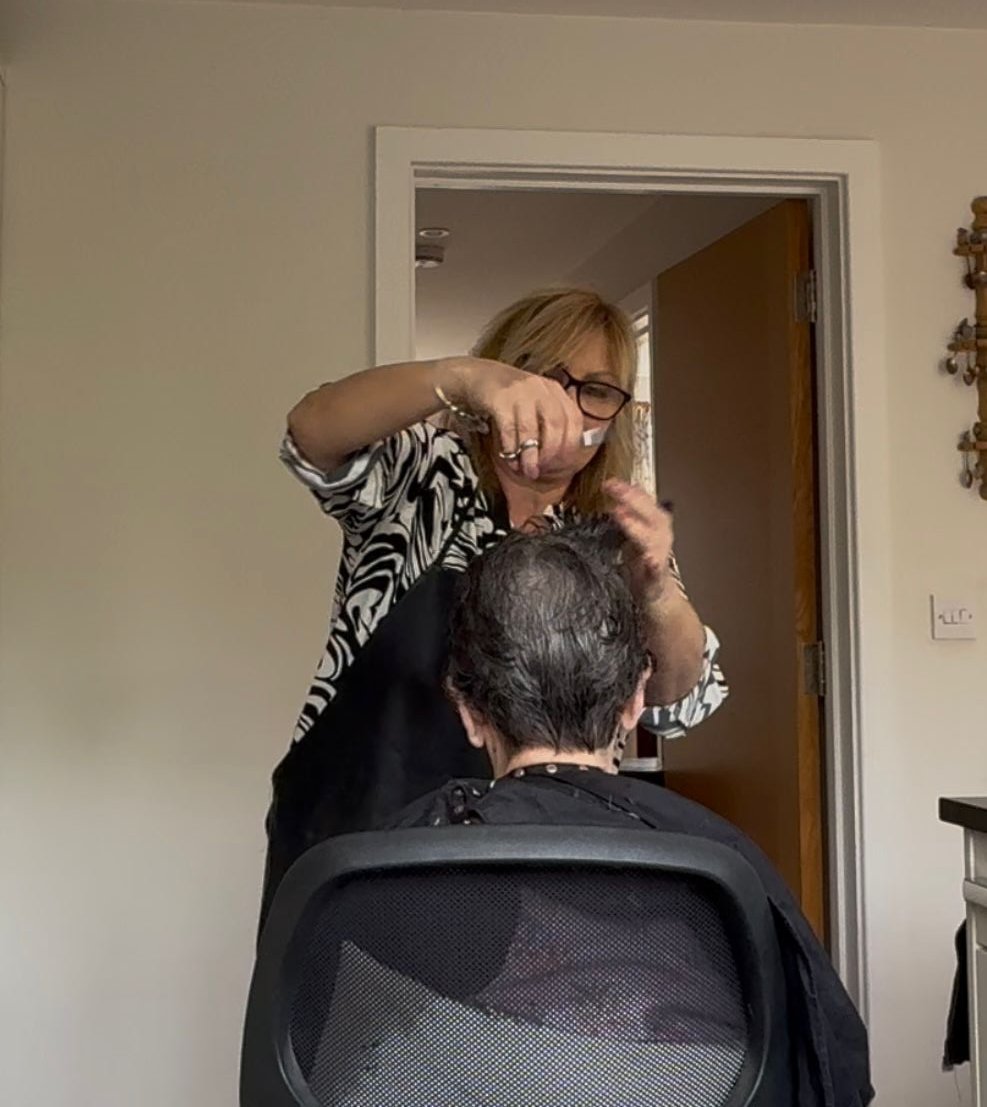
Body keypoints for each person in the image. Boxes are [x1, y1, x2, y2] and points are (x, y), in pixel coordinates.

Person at [264, 287, 728, 926]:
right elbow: (311, 432)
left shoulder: (617, 531)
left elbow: (681, 698)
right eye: (544, 377)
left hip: (552, 870)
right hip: (357, 847)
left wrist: (656, 591)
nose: (563, 407)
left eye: (595, 389)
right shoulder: (423, 480)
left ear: (616, 411)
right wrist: (459, 376)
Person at [385, 517, 873, 1107]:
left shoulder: (382, 878)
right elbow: (830, 1075)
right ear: (637, 697)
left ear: (467, 708)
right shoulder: (719, 866)